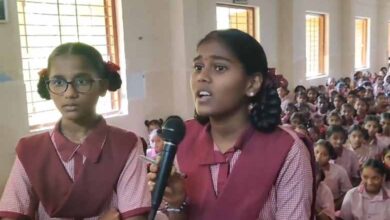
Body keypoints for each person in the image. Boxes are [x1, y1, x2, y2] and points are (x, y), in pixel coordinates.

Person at [148, 29, 315, 219]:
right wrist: (177, 203)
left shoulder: (286, 150)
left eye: (219, 68)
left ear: (252, 84)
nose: (202, 76)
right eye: (198, 67)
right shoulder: (183, 139)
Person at [0, 42, 150, 220]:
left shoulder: (126, 145)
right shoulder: (30, 151)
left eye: (82, 81)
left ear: (102, 86)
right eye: (58, 82)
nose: (70, 93)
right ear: (49, 87)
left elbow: (135, 217)